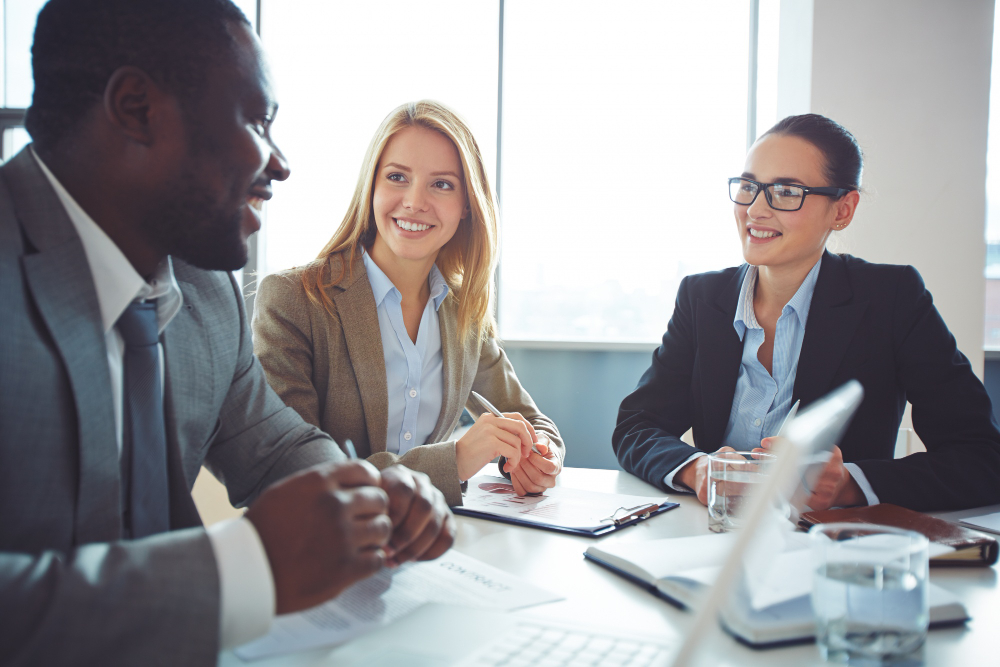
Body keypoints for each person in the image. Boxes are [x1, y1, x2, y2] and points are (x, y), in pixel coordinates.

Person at [0, 2, 454, 665]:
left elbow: (273, 447)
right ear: (135, 107)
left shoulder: (206, 287)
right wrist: (242, 569)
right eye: (257, 121)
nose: (280, 164)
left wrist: (365, 496)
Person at [613, 113, 1000, 513]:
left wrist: (849, 484)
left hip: (830, 551)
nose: (756, 210)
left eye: (786, 191)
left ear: (843, 209)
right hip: (711, 539)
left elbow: (984, 458)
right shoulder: (702, 297)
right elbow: (637, 427)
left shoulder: (892, 299)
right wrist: (698, 470)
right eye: (748, 187)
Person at [253, 100, 564, 505]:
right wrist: (454, 459)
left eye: (442, 184)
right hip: (328, 550)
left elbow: (533, 421)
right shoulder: (294, 300)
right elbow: (297, 473)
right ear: (372, 187)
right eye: (397, 177)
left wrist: (539, 454)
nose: (415, 202)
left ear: (466, 205)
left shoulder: (463, 311)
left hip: (434, 543)